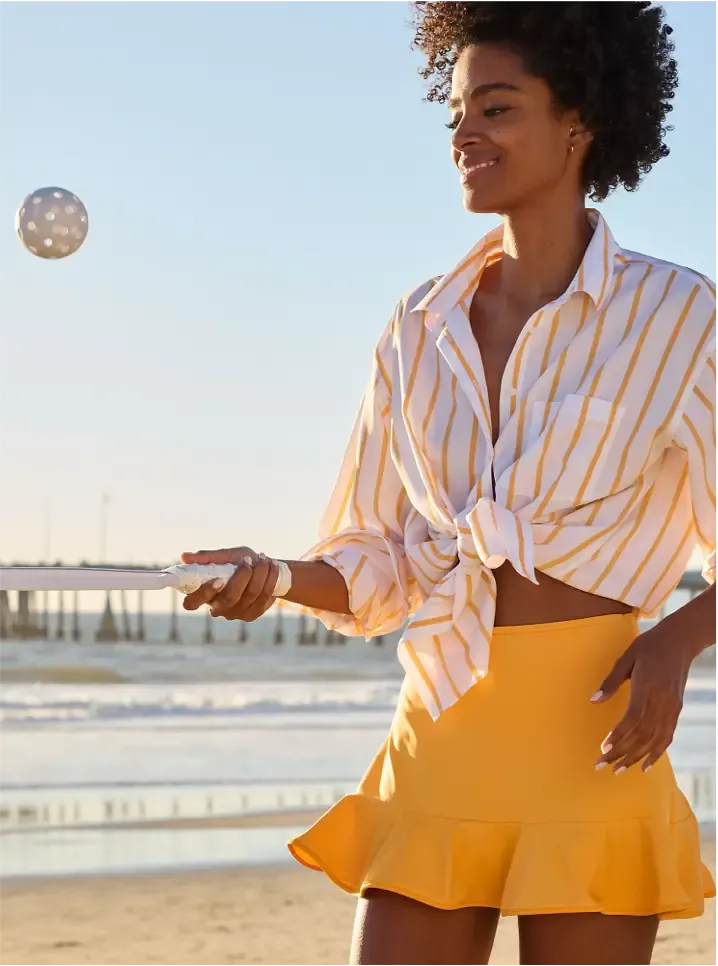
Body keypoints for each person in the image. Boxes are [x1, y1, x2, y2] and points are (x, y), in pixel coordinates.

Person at [181, 1, 717, 962]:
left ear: (579, 123)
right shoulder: (414, 330)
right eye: (458, 113)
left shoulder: (679, 316)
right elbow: (382, 560)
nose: (466, 133)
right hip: (439, 728)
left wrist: (677, 643)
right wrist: (273, 575)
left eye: (498, 108)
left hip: (595, 736)